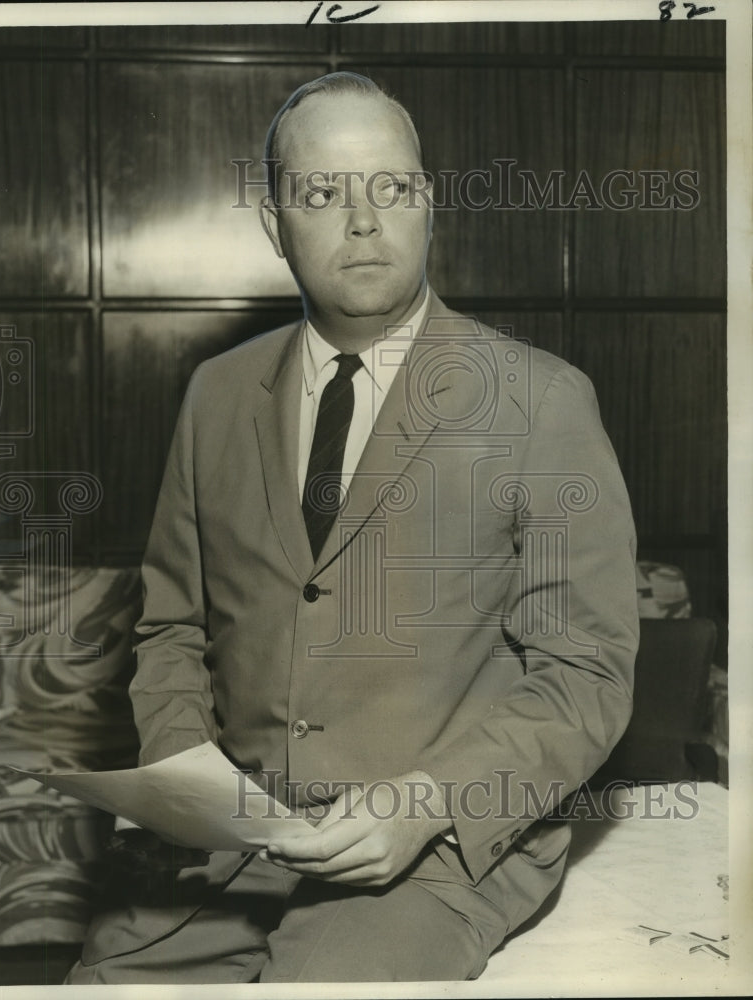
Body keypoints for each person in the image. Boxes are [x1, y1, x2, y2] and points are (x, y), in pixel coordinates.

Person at [66, 71, 639, 984]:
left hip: (444, 848)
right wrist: (190, 783)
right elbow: (170, 629)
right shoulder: (217, 394)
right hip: (232, 844)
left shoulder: (542, 401)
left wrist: (430, 801)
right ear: (273, 225)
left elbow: (587, 676)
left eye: (393, 187)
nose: (363, 220)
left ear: (429, 206)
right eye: (322, 192)